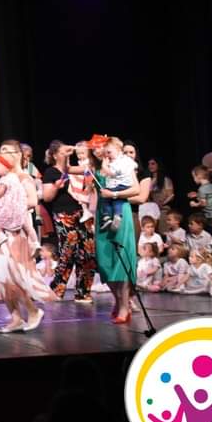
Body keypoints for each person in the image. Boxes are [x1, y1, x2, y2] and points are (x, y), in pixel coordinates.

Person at [0, 151, 54, 333]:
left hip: (12, 235)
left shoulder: (18, 181)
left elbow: (28, 204)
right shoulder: (5, 182)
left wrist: (27, 234)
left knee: (12, 278)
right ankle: (16, 318)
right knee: (1, 279)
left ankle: (33, 311)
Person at [92, 137, 140, 324]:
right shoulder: (96, 167)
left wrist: (114, 194)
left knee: (121, 257)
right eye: (96, 148)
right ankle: (119, 299)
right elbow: (68, 169)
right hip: (102, 214)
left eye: (102, 148)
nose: (99, 151)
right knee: (105, 260)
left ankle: (124, 306)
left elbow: (136, 189)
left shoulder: (122, 165)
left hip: (121, 211)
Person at [42, 141, 97, 302]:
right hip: (63, 214)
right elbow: (47, 197)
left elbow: (89, 168)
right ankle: (57, 289)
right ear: (54, 155)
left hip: (82, 213)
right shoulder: (51, 172)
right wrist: (56, 187)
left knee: (88, 251)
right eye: (62, 152)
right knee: (68, 251)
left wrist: (79, 149)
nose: (66, 154)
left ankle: (83, 292)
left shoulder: (71, 169)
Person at [98, 140, 137, 232]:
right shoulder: (114, 162)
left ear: (119, 150)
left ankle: (111, 216)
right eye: (105, 152)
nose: (107, 155)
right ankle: (113, 217)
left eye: (109, 152)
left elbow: (113, 173)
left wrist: (105, 166)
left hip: (119, 186)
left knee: (111, 200)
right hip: (115, 188)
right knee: (115, 201)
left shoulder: (120, 162)